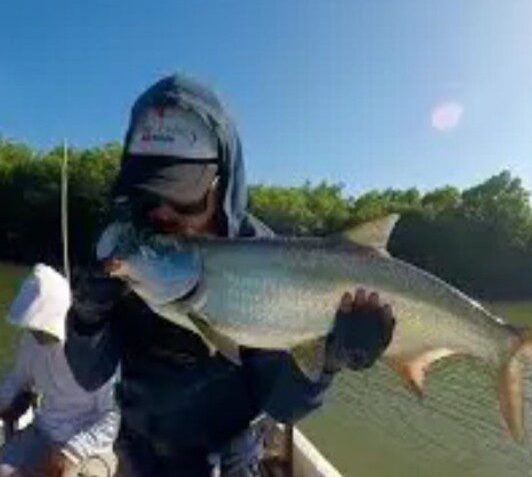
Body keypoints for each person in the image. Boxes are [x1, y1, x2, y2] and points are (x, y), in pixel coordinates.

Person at [65, 74, 395, 476]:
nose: (163, 214)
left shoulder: (271, 259)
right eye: (148, 195)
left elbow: (282, 405)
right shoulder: (130, 246)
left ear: (222, 184)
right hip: (137, 452)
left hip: (226, 463)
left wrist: (327, 363)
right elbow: (88, 375)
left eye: (184, 196)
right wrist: (87, 317)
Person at [0, 264, 119, 477]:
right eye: (32, 327)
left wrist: (70, 453)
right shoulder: (32, 341)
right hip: (43, 432)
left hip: (90, 448)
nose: (35, 333)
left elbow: (111, 418)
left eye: (40, 327)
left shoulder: (98, 349)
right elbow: (18, 378)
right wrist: (3, 402)